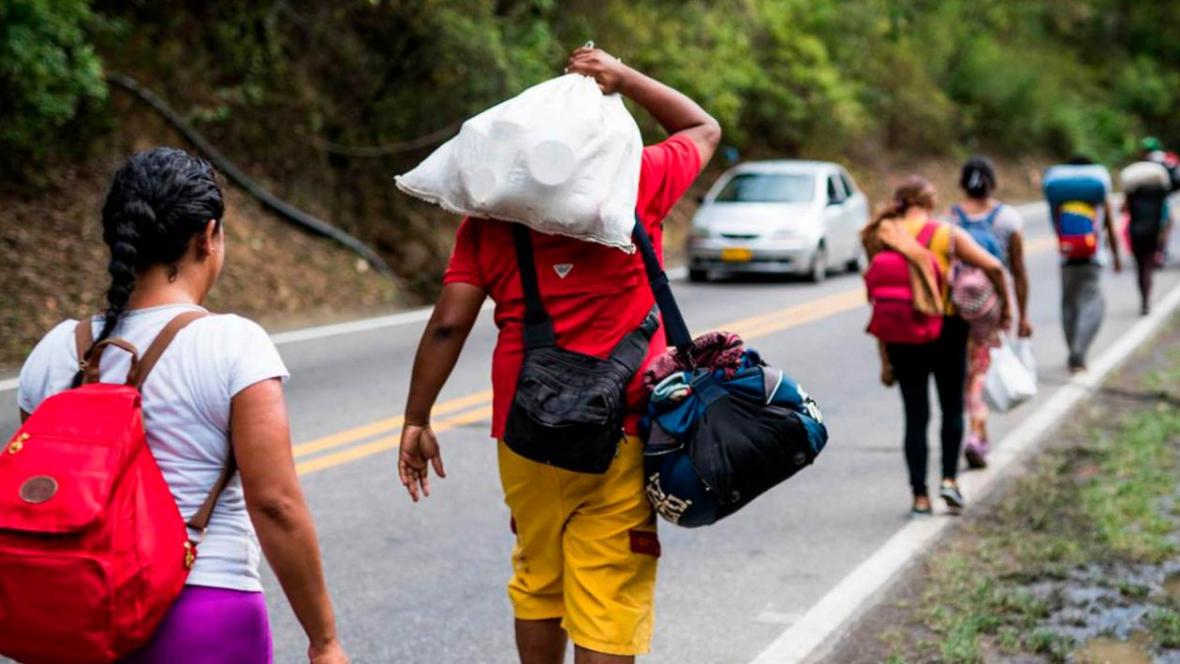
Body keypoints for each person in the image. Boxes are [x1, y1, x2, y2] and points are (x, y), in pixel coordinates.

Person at [396, 47, 720, 663]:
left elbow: (448, 324)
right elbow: (702, 128)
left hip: (526, 434)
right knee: (607, 590)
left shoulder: (490, 218)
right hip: (622, 432)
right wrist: (623, 77)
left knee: (538, 580)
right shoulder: (635, 185)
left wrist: (417, 418)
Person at [16, 148, 348, 664]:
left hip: (71, 619)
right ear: (207, 236)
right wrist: (324, 641)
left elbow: (42, 499)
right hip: (199, 610)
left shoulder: (55, 348)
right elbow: (275, 505)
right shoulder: (233, 344)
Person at [864, 177, 1011, 516]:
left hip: (901, 332)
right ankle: (949, 481)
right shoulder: (947, 234)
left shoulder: (881, 233)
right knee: (950, 410)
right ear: (929, 201)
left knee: (915, 416)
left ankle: (919, 497)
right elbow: (994, 266)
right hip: (946, 328)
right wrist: (1005, 310)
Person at [949, 156, 1032, 468]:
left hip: (955, 306)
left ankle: (968, 430)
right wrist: (1019, 314)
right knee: (981, 369)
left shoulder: (952, 218)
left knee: (962, 368)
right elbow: (1018, 271)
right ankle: (977, 432)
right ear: (993, 181)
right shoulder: (1008, 218)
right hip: (988, 306)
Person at [1044, 157, 1121, 372]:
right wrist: (1116, 257)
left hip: (1066, 258)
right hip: (1092, 259)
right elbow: (1109, 228)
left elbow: (1054, 224)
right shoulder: (1096, 195)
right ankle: (1079, 351)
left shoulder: (1058, 196)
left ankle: (1073, 349)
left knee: (1069, 304)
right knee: (1092, 304)